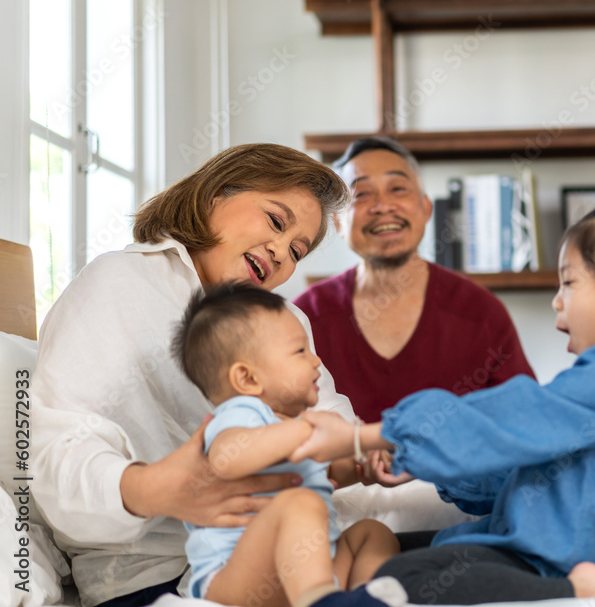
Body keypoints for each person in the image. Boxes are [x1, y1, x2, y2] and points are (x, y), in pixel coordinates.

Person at [290, 204, 595, 603]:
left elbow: (507, 417)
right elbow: (530, 463)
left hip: (572, 562)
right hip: (549, 548)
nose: (557, 301)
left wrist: (362, 434)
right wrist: (424, 460)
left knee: (411, 572)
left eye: (569, 282)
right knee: (391, 545)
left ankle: (575, 592)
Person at [32, 144, 364, 607]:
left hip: (284, 551)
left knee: (429, 551)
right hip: (151, 577)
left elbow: (333, 427)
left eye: (296, 251)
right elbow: (54, 459)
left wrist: (365, 454)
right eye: (275, 220)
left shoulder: (285, 319)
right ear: (214, 195)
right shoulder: (119, 284)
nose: (281, 253)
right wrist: (158, 490)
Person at [172, 283, 405, 607]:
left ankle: (360, 596)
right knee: (299, 504)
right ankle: (322, 601)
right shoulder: (240, 414)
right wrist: (303, 429)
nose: (315, 360)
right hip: (236, 578)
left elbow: (327, 472)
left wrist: (359, 469)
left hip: (302, 572)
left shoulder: (294, 424)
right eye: (300, 351)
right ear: (248, 379)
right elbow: (225, 458)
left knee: (373, 533)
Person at [294, 137, 534, 423]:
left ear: (426, 208)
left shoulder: (481, 312)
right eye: (361, 194)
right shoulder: (307, 316)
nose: (383, 206)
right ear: (337, 222)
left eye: (397, 189)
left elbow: (524, 423)